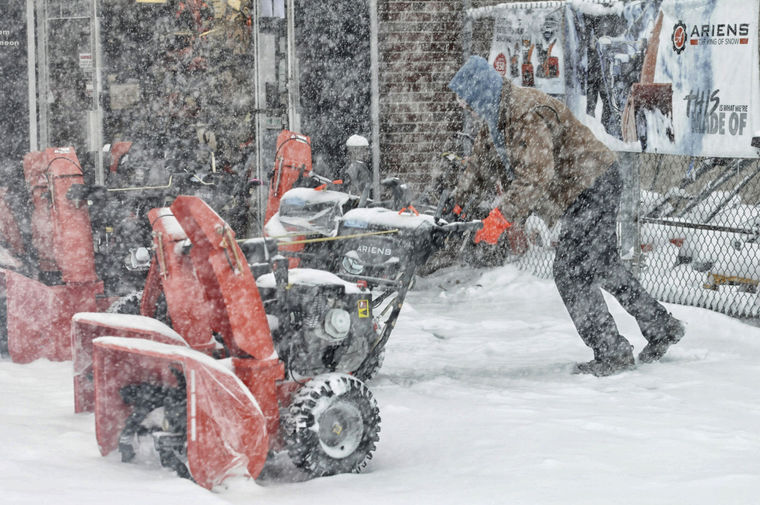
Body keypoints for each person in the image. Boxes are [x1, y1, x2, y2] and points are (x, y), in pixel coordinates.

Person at [448, 55, 684, 377]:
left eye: (468, 102)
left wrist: (500, 219)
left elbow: (535, 176)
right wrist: (456, 204)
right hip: (582, 189)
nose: (468, 110)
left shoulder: (523, 113)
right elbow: (479, 168)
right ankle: (661, 326)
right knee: (602, 265)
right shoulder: (496, 119)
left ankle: (612, 352)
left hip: (592, 184)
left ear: (482, 94)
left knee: (571, 272)